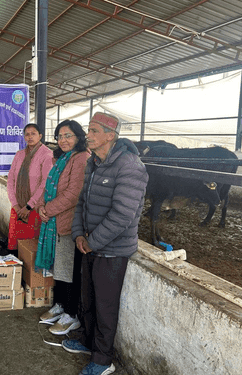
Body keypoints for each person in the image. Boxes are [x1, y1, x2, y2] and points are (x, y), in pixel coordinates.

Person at [66, 112, 148, 375]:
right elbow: (81, 203)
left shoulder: (129, 166)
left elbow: (123, 215)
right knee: (87, 298)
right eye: (88, 131)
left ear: (110, 135)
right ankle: (88, 342)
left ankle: (102, 361)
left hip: (112, 250)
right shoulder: (94, 163)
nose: (87, 135)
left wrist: (93, 241)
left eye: (93, 131)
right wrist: (80, 235)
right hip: (90, 244)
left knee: (105, 305)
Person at [35, 120, 89, 336]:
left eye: (68, 135)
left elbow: (73, 194)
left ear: (78, 137)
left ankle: (71, 314)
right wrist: (40, 207)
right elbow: (48, 186)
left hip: (67, 223)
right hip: (53, 221)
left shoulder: (81, 158)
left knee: (68, 270)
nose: (63, 140)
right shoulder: (61, 159)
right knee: (59, 268)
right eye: (59, 136)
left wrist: (47, 210)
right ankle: (59, 304)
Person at [6, 123, 53, 254]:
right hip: (18, 208)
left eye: (33, 133)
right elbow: (11, 179)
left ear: (40, 136)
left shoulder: (47, 155)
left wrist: (29, 206)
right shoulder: (19, 155)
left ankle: (29, 274)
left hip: (34, 209)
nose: (30, 137)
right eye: (27, 134)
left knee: (31, 247)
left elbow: (45, 183)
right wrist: (15, 204)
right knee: (15, 246)